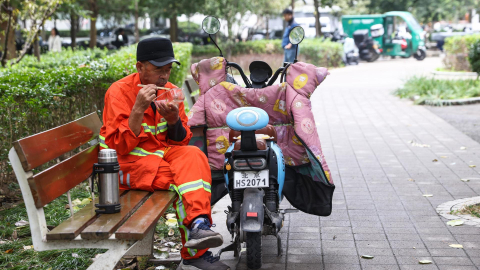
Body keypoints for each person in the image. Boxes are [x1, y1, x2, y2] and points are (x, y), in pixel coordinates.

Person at [99, 37, 229, 270]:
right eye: (158, 69)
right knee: (187, 182)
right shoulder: (118, 93)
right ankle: (194, 254)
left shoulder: (171, 92)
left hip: (160, 156)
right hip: (126, 166)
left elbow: (181, 141)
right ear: (140, 67)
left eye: (168, 70)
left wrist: (173, 121)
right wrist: (138, 109)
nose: (164, 76)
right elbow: (119, 146)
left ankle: (199, 225)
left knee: (194, 155)